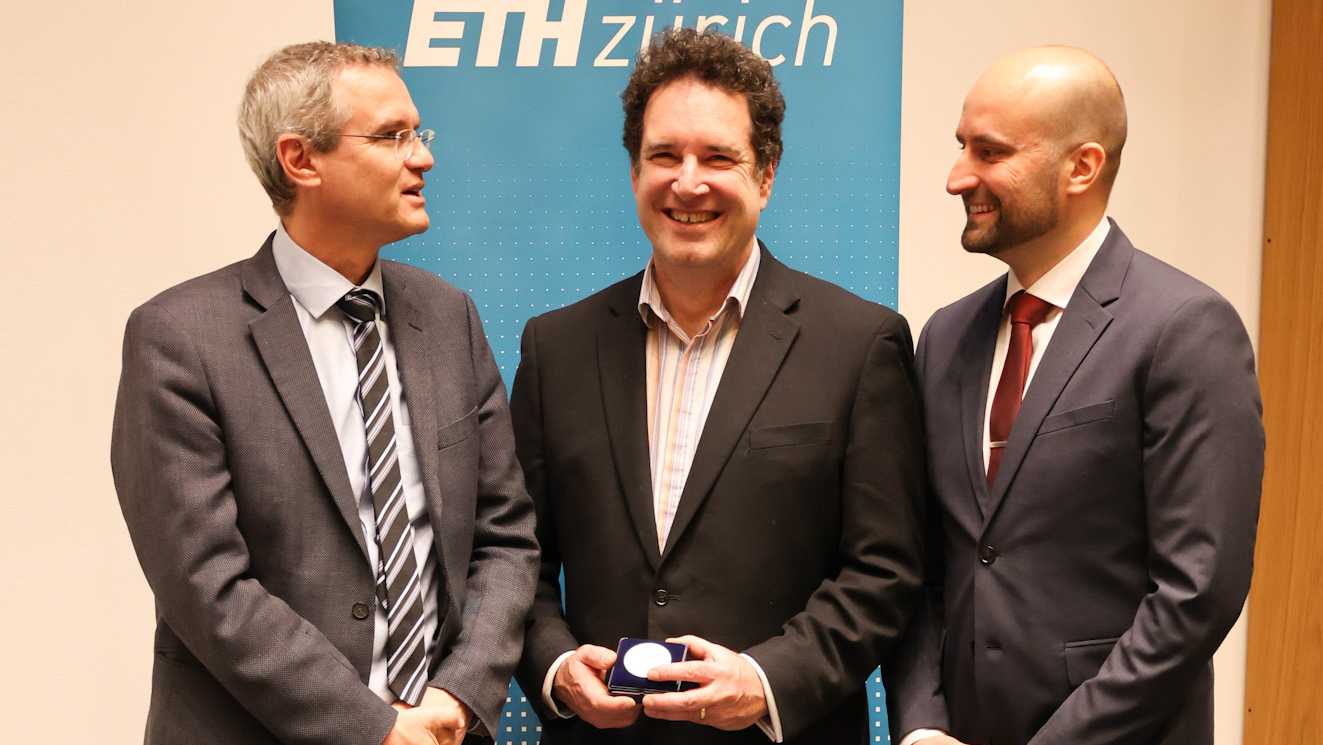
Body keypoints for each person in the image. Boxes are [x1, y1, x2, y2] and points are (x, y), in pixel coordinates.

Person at [110, 41, 538, 745]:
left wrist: (456, 695)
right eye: (392, 136)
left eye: (418, 133)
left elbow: (504, 537)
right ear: (300, 159)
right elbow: (207, 584)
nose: (422, 157)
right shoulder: (179, 338)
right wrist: (374, 728)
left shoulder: (448, 316)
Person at [510, 28, 925, 745]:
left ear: (765, 175)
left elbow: (886, 569)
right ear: (634, 171)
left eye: (718, 158)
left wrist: (765, 681)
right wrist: (553, 663)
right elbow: (517, 556)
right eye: (663, 156)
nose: (688, 181)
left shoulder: (859, 344)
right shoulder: (555, 347)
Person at [886, 46, 1264, 745]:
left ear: (1082, 167)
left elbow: (1194, 595)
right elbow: (917, 567)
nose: (955, 176)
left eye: (989, 151)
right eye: (960, 146)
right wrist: (920, 724)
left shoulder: (1183, 329)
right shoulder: (944, 337)